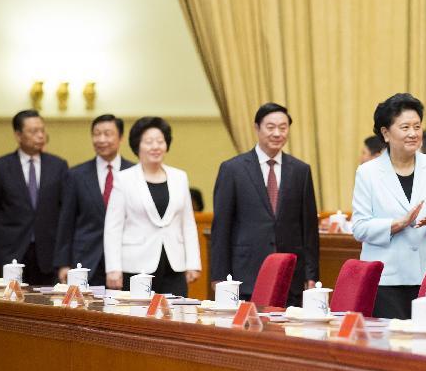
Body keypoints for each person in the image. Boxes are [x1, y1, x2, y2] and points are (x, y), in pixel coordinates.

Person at [352, 93, 426, 318]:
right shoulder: (368, 173)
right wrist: (395, 224)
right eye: (405, 127)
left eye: (417, 126)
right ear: (385, 133)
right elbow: (359, 227)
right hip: (385, 278)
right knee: (389, 346)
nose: (413, 133)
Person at [211, 103, 319, 304]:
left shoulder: (300, 170)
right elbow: (221, 228)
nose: (277, 133)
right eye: (270, 127)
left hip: (290, 276)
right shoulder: (232, 169)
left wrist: (311, 275)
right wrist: (219, 275)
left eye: (283, 127)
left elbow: (309, 229)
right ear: (257, 128)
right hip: (245, 275)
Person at [104, 117, 201, 296]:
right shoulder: (124, 179)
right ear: (137, 146)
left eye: (160, 141)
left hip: (174, 265)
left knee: (174, 318)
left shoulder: (179, 177)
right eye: (149, 142)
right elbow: (113, 227)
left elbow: (188, 223)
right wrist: (113, 268)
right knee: (138, 319)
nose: (155, 147)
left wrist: (193, 263)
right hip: (136, 266)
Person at [0, 110, 68, 285]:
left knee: (46, 308)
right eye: (33, 131)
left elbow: (65, 215)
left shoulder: (58, 166)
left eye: (42, 130)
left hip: (48, 256)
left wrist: (64, 259)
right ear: (18, 135)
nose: (40, 136)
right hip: (10, 254)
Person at [54, 114, 134, 286]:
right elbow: (66, 221)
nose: (101, 139)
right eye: (97, 134)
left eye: (107, 133)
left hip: (127, 259)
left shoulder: (135, 173)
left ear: (120, 137)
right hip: (87, 260)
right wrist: (63, 263)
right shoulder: (75, 175)